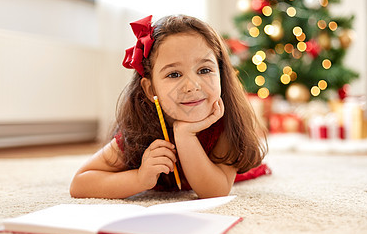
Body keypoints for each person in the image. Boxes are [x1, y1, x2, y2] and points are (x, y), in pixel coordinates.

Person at [70, 15, 269, 199]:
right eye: (174, 74)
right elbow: (80, 184)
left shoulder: (225, 123)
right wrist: (139, 179)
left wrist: (185, 135)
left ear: (221, 74)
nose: (192, 86)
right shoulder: (139, 131)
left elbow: (215, 191)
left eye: (205, 70)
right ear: (150, 89)